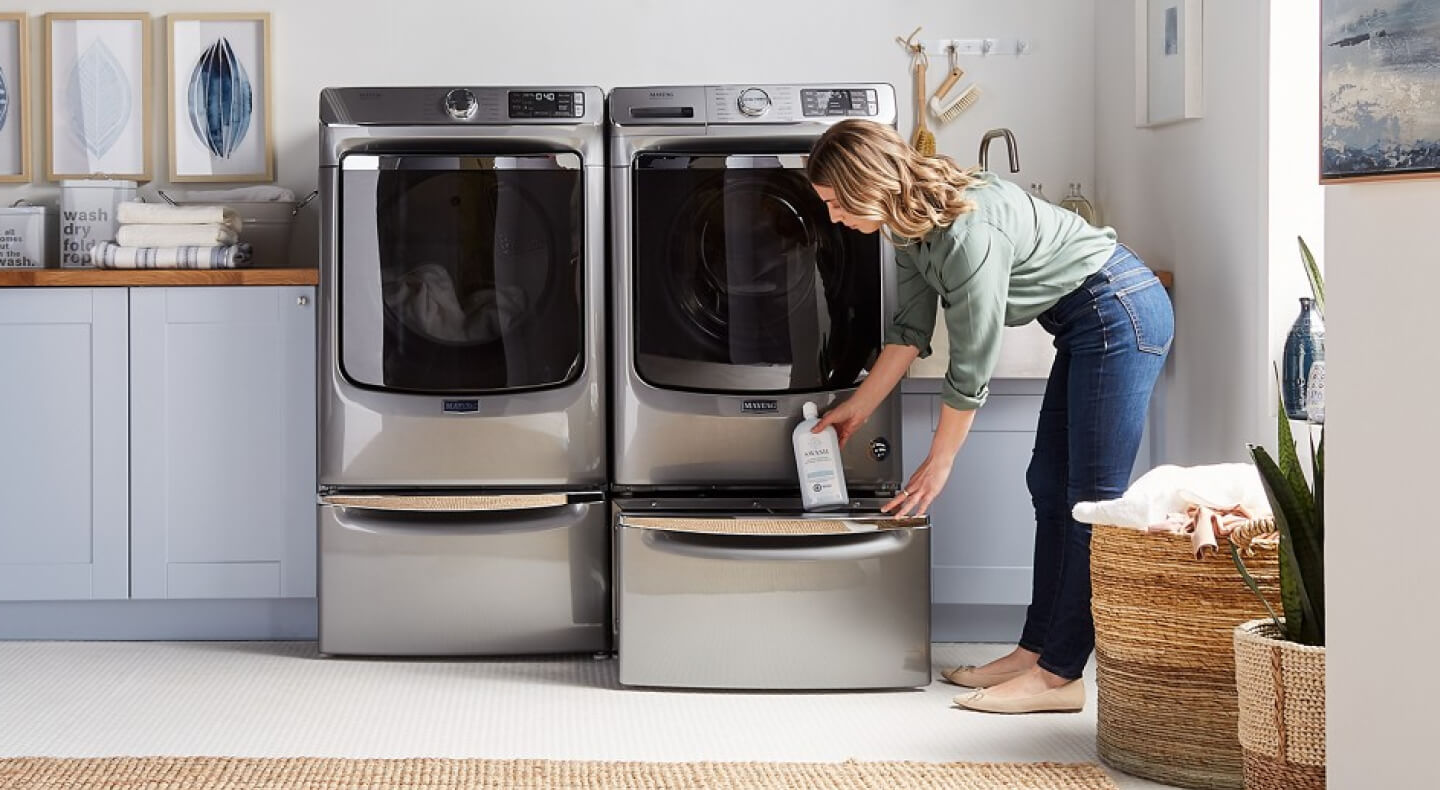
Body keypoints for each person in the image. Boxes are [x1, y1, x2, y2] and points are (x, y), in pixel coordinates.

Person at [808, 119, 1173, 715]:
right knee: (1050, 488)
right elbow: (908, 331)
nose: (832, 218)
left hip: (1118, 312)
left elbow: (972, 364)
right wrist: (857, 407)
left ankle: (1061, 676)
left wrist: (939, 461)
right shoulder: (910, 226)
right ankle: (1035, 650)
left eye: (833, 204)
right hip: (1087, 324)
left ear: (865, 185)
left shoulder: (967, 232)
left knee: (1089, 501)